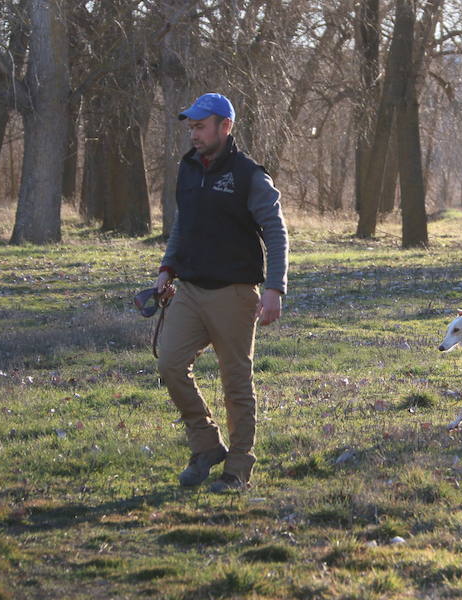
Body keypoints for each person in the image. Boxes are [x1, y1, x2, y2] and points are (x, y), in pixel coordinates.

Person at [153, 93, 288, 493]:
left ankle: (238, 468)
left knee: (236, 383)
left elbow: (276, 234)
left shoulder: (250, 176)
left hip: (235, 292)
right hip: (190, 289)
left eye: (200, 126)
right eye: (191, 127)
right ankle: (207, 445)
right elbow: (183, 225)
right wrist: (166, 268)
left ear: (224, 127)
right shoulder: (188, 168)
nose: (193, 134)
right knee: (170, 365)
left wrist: (274, 288)